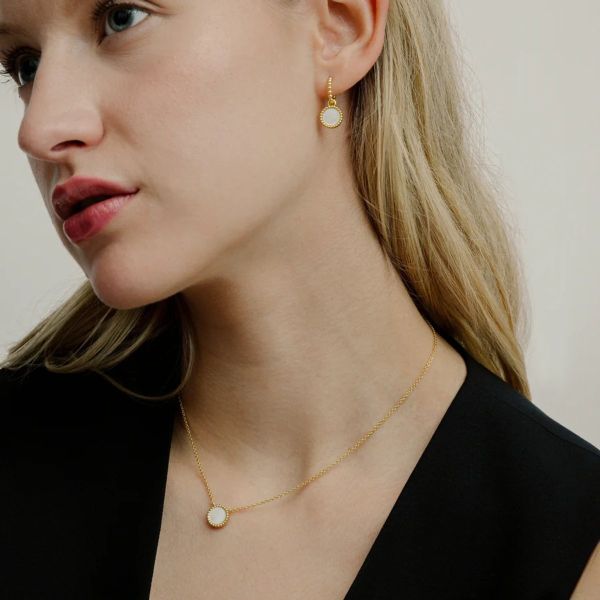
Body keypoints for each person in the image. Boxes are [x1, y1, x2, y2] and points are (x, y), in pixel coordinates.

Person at [0, 1, 598, 598]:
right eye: (25, 65)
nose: (39, 129)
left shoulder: (569, 553)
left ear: (339, 26)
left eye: (121, 18)